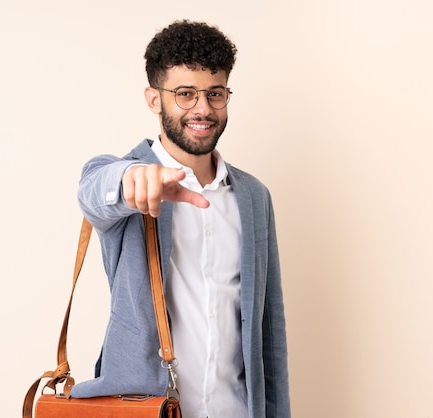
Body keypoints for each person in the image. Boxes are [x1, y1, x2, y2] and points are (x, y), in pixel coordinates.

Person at [72, 20, 291, 418]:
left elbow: (268, 332)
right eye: (185, 94)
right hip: (147, 411)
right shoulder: (131, 181)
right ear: (155, 99)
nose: (202, 109)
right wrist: (130, 178)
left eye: (215, 93)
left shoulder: (254, 197)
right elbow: (92, 189)